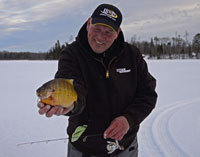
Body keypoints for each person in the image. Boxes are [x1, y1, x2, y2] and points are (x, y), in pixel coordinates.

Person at [37, 3, 157, 157]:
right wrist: (72, 105)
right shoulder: (71, 55)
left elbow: (147, 95)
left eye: (108, 32)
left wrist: (128, 119)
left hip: (124, 147)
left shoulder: (132, 55)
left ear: (117, 32)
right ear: (88, 24)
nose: (100, 37)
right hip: (83, 148)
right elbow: (73, 86)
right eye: (97, 29)